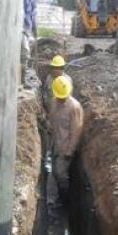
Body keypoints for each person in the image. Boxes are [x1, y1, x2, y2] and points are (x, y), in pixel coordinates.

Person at [48, 76, 84, 205]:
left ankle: (65, 199)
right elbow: (52, 119)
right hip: (54, 143)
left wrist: (70, 150)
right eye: (59, 97)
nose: (61, 99)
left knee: (60, 174)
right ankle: (60, 193)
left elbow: (76, 131)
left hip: (65, 148)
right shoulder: (53, 102)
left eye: (63, 97)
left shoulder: (74, 107)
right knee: (54, 171)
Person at [21, 0, 44, 82]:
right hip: (20, 29)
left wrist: (35, 30)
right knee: (24, 53)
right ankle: (21, 79)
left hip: (27, 30)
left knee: (26, 53)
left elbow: (33, 14)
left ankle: (23, 75)